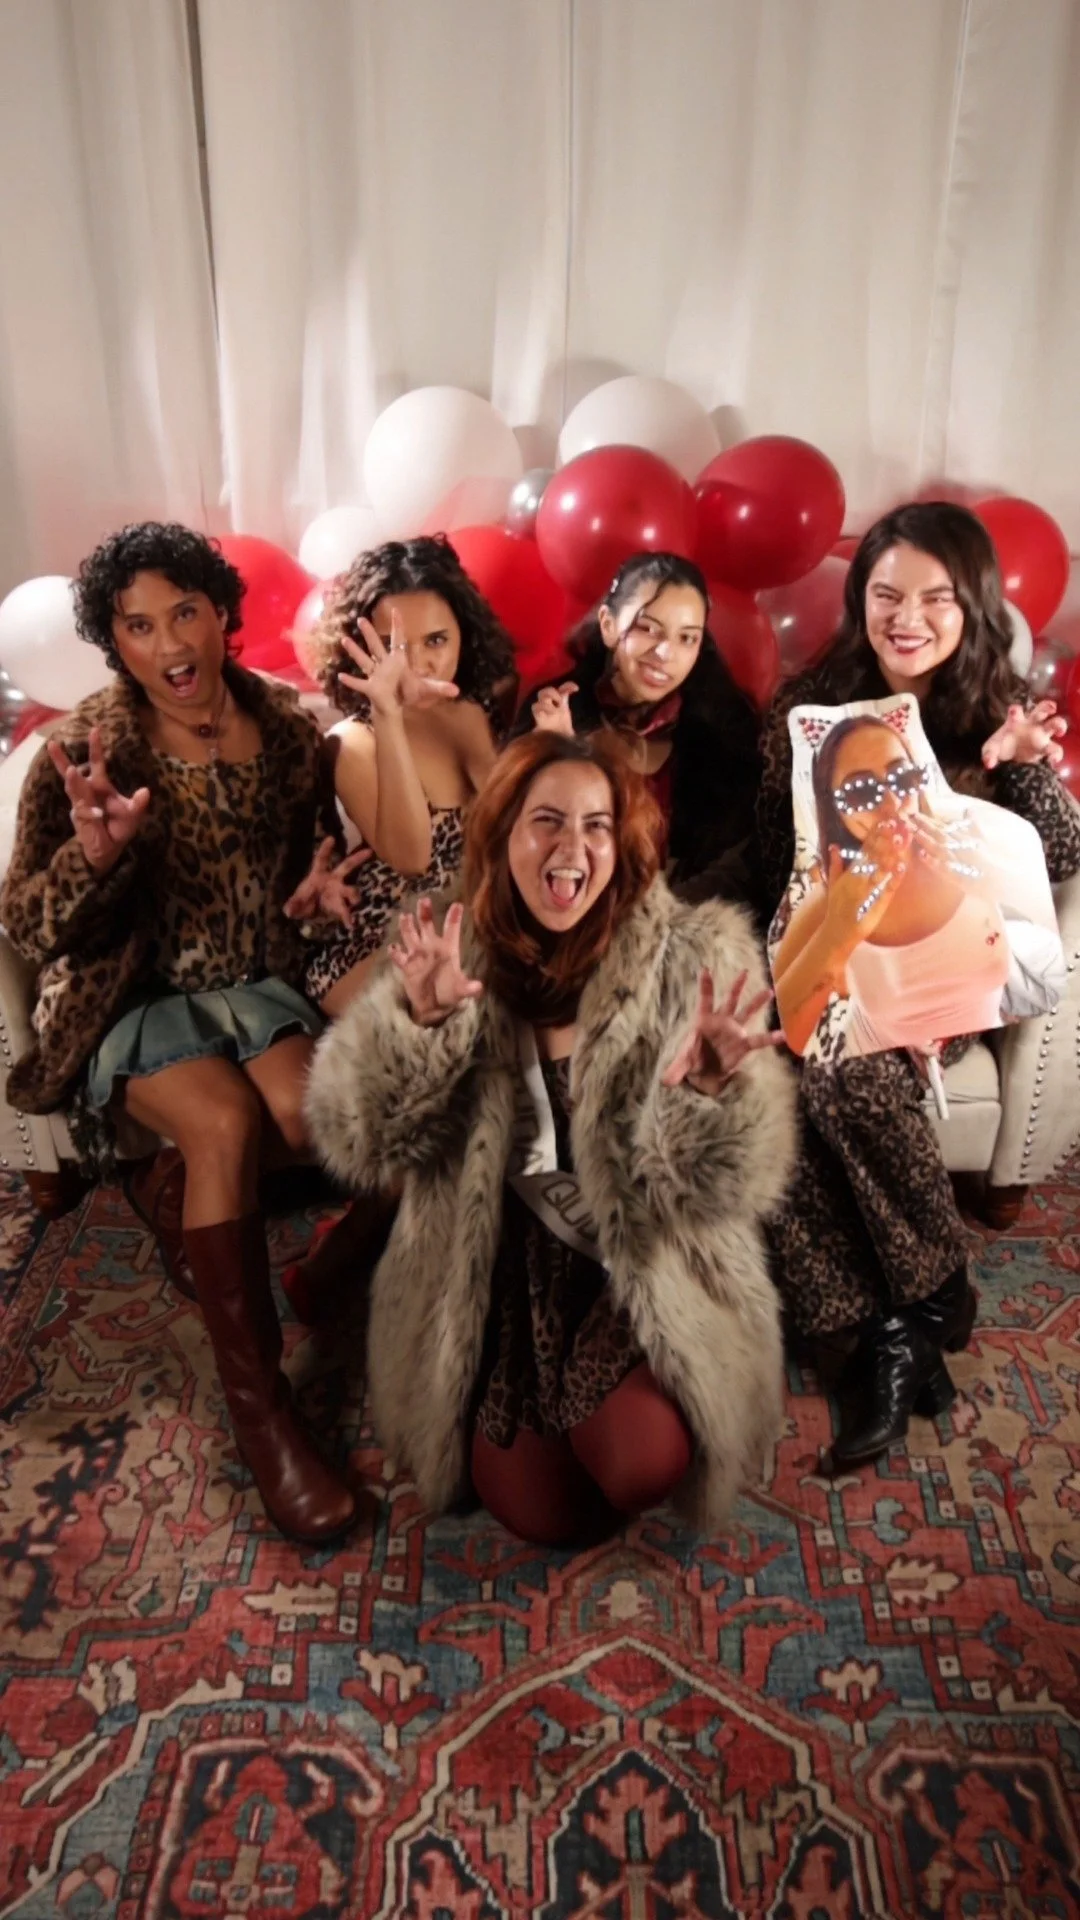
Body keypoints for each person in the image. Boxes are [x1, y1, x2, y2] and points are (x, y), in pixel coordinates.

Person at [304, 731, 795, 1546]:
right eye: (547, 821)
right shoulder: (445, 943)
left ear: (621, 843)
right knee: (542, 1515)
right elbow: (358, 1140)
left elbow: (733, 1190)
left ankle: (656, 1405)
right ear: (502, 832)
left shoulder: (696, 957)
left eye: (597, 826)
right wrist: (417, 1028)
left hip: (639, 1262)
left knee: (639, 1466)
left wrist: (711, 1098)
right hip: (496, 1269)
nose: (573, 849)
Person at [0, 522, 363, 1545]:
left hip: (253, 989)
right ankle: (266, 1422)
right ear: (113, 640)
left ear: (220, 614)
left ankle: (174, 1198)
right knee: (224, 1128)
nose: (169, 643)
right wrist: (93, 859)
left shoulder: (285, 728)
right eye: (138, 624)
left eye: (185, 612)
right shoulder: (84, 750)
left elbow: (301, 870)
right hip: (131, 994)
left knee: (315, 1118)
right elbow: (25, 922)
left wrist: (315, 896)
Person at [756, 501, 1080, 1470]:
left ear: (970, 606)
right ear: (860, 601)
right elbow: (775, 864)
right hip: (835, 959)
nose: (908, 618)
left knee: (841, 1074)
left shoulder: (997, 712)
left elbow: (1063, 864)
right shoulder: (811, 711)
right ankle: (895, 1329)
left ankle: (923, 1296)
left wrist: (1025, 771)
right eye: (887, 595)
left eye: (936, 598)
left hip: (949, 979)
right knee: (784, 1073)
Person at [304, 535, 516, 1016]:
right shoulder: (352, 741)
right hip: (377, 946)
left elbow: (511, 827)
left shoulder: (475, 710)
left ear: (464, 635)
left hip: (468, 930)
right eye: (394, 646)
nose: (416, 663)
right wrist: (388, 713)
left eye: (435, 640)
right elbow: (413, 857)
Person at [772, 710, 1064, 1056]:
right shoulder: (832, 898)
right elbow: (793, 1033)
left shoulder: (968, 841)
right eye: (862, 792)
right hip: (884, 1060)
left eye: (902, 778)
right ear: (834, 808)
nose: (892, 804)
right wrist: (837, 932)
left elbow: (1066, 854)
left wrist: (1025, 767)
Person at [514, 551, 762, 909]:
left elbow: (735, 868)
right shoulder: (554, 710)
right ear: (608, 625)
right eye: (647, 629)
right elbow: (508, 835)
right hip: (567, 916)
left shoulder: (723, 728)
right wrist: (557, 756)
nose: (665, 653)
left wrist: (661, 923)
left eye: (687, 638)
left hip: (681, 925)